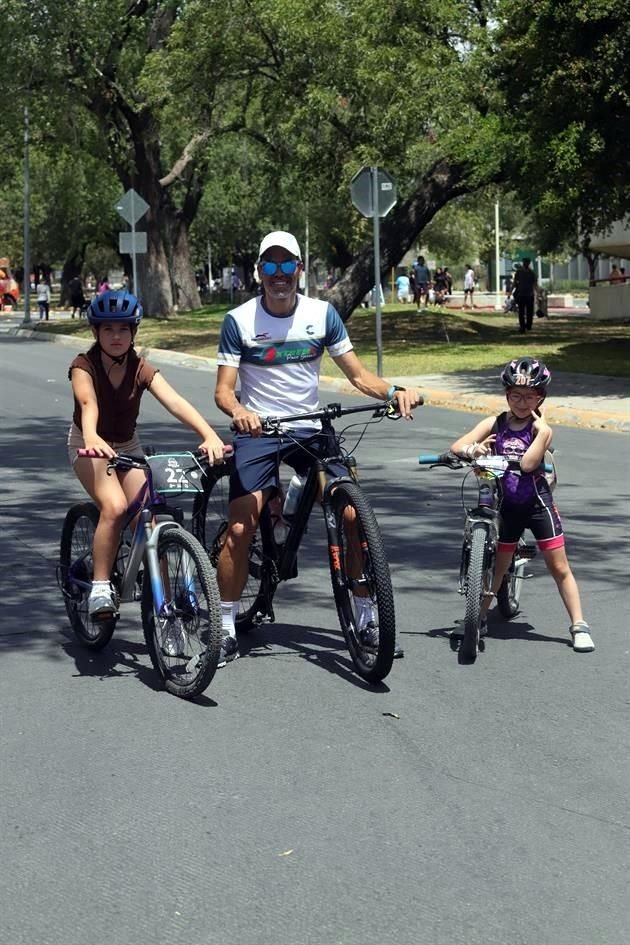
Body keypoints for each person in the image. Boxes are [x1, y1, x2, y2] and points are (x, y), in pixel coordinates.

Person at [214, 230, 423, 665]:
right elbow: (224, 392)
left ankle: (366, 616)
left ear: (299, 270)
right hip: (260, 431)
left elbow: (360, 376)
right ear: (258, 272)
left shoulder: (322, 315)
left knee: (352, 513)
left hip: (310, 430)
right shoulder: (239, 321)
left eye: (286, 265)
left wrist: (395, 391)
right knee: (241, 526)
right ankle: (226, 622)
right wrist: (240, 412)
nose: (278, 275)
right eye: (269, 266)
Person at [68, 289, 226, 624]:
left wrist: (208, 434)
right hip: (88, 442)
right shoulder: (84, 365)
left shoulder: (140, 367)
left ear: (133, 332)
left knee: (148, 516)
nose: (116, 336)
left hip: (127, 445)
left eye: (123, 329)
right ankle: (99, 585)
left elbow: (175, 402)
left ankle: (165, 602)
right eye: (108, 329)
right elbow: (87, 403)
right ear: (96, 332)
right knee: (114, 506)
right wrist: (93, 434)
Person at [449, 356, 593, 653]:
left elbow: (528, 464)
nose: (522, 401)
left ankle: (579, 625)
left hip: (537, 505)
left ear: (541, 397)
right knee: (497, 568)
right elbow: (457, 446)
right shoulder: (496, 422)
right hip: (507, 507)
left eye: (530, 396)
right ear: (507, 395)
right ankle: (475, 619)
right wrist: (473, 449)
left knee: (559, 567)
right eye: (516, 395)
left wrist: (543, 434)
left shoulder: (543, 430)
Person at [512, 257, 537, 333]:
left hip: (525, 294)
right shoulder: (530, 273)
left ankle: (526, 326)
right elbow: (515, 282)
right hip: (525, 294)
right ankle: (524, 326)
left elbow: (515, 283)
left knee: (524, 311)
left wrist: (511, 290)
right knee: (524, 311)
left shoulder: (527, 273)